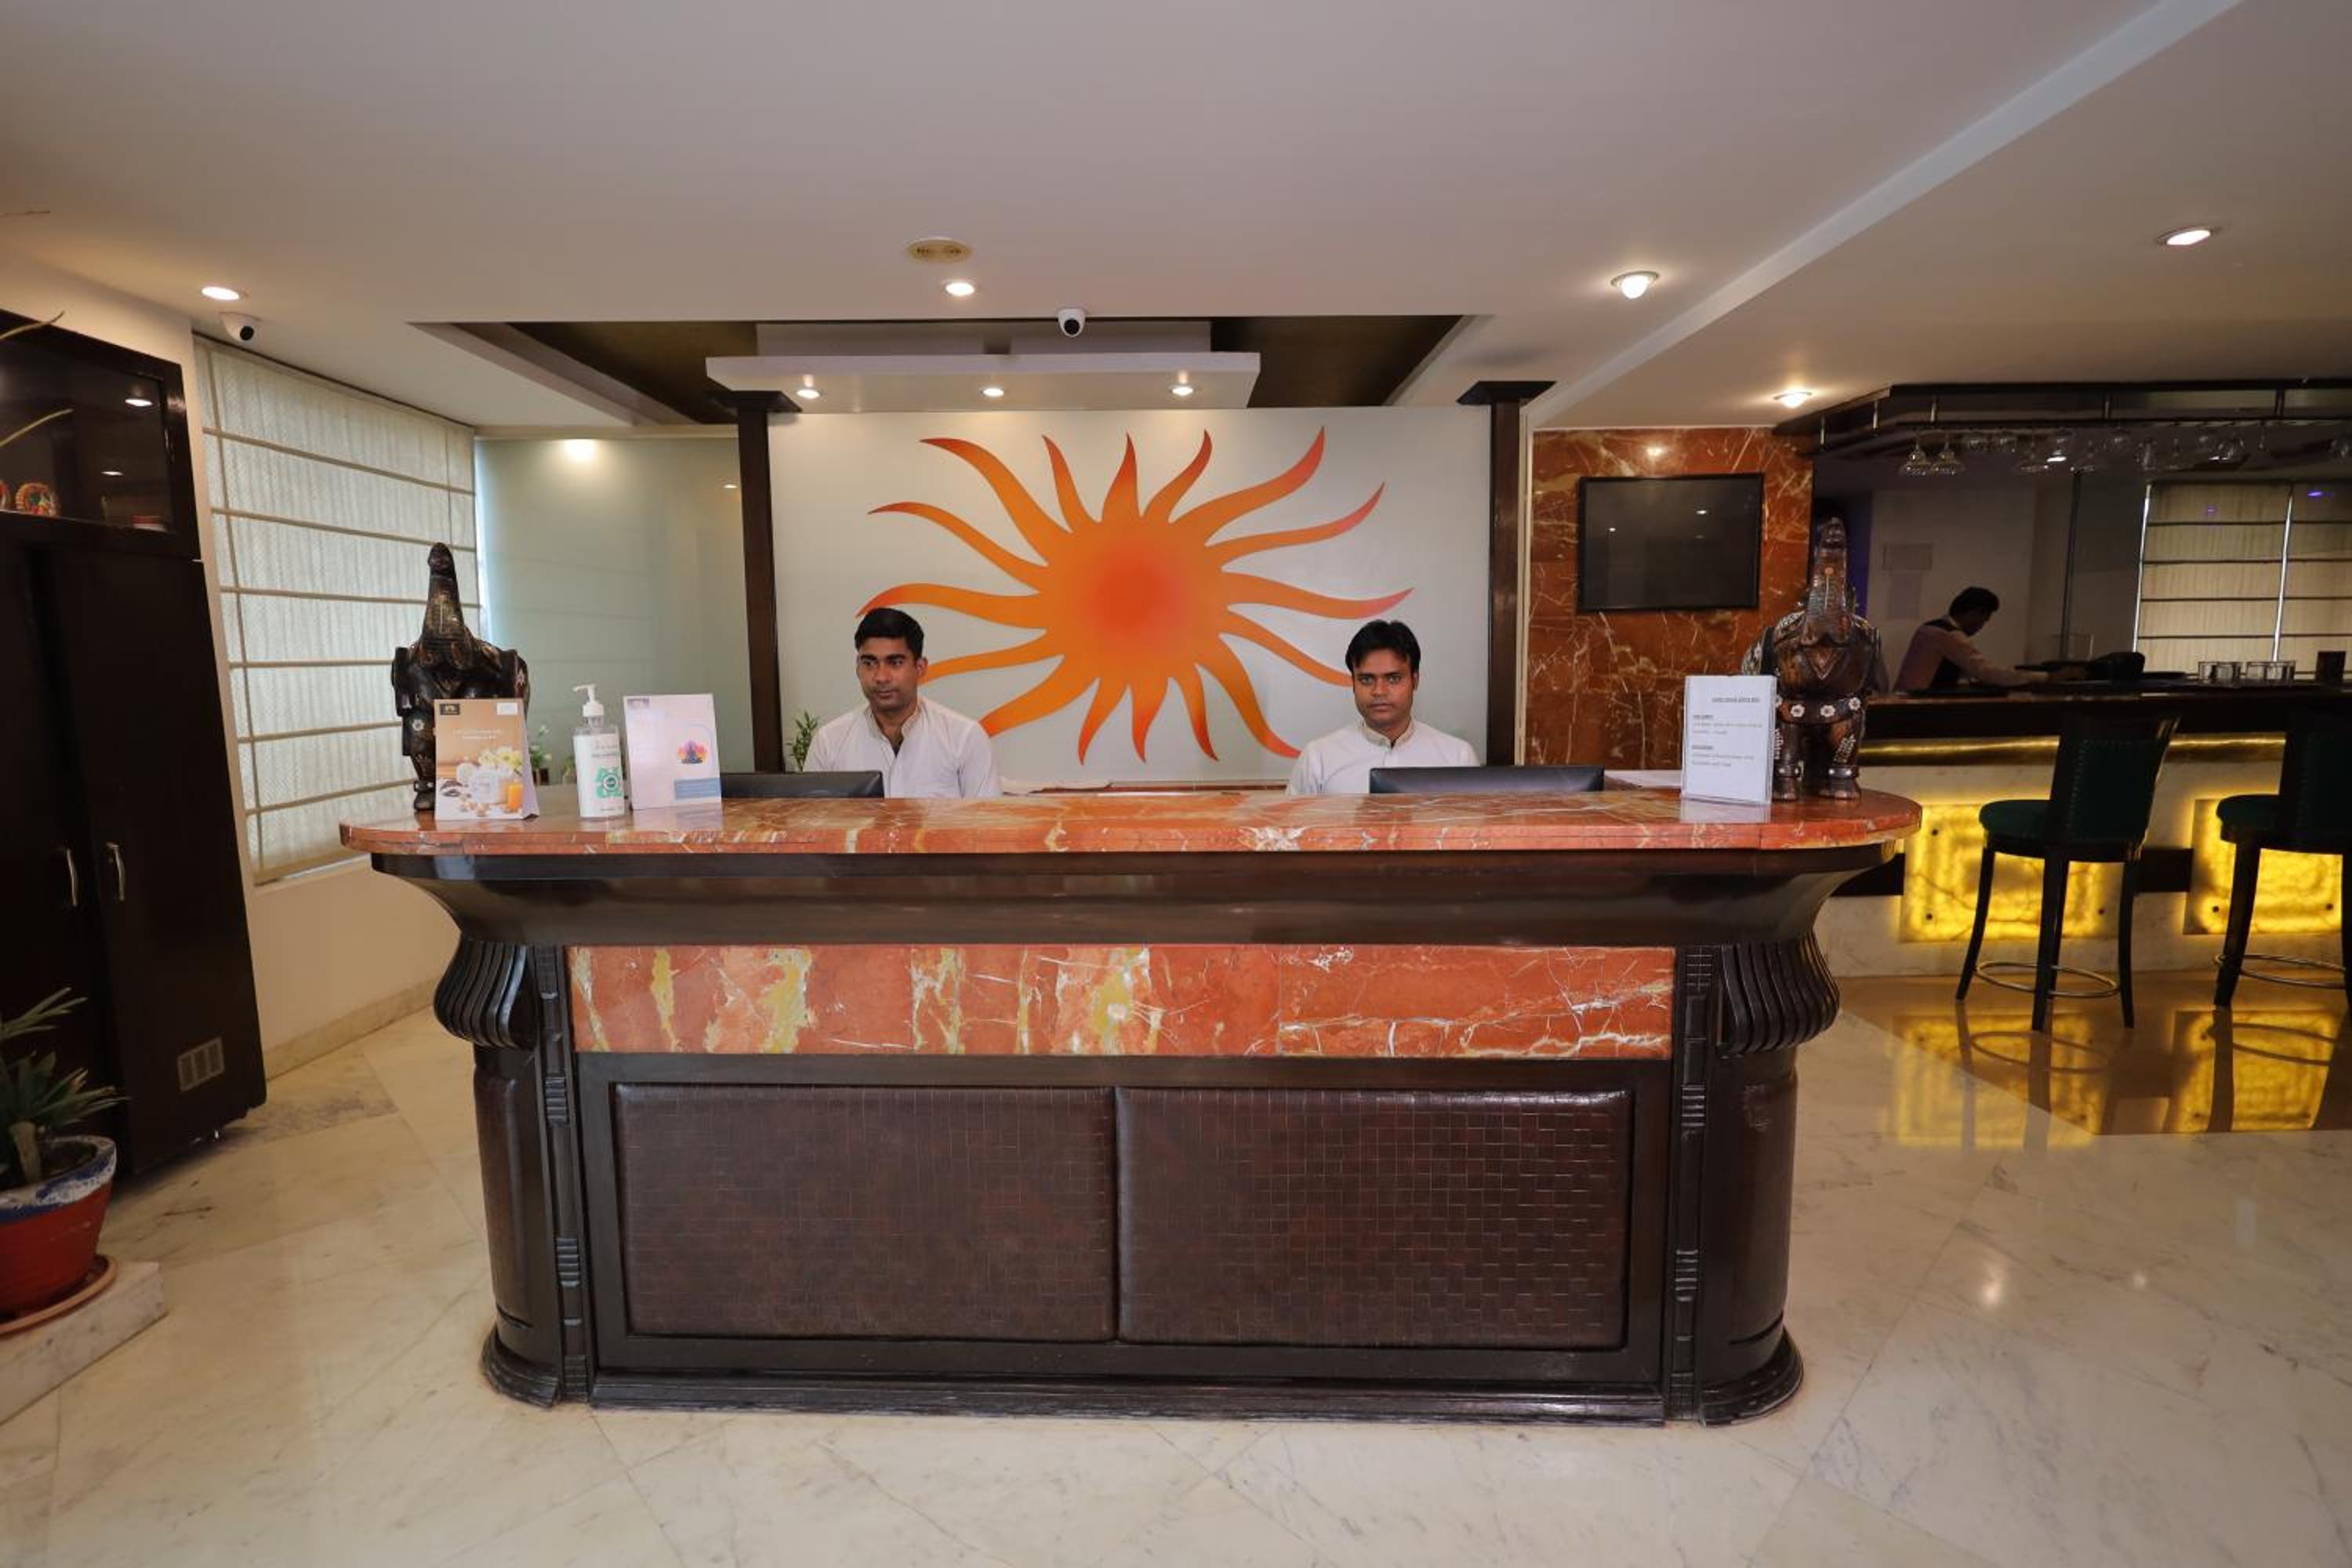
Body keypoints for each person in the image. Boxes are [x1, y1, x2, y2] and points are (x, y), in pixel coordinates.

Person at [804, 608, 1000, 797]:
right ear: (858, 668)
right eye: (869, 663)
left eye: (895, 662)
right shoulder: (829, 743)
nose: (881, 677)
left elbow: (985, 819)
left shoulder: (964, 738)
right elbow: (810, 819)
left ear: (920, 667)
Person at [1287, 620, 1478, 795]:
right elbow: (1292, 823)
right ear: (1353, 684)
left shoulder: (1457, 758)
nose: (1379, 691)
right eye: (1366, 680)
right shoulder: (1318, 759)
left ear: (1415, 680)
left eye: (1394, 679)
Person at [1893, 587, 2045, 692]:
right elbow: (1986, 671)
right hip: (1919, 706)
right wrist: (2044, 677)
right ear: (1974, 613)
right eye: (1983, 621)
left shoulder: (1929, 628)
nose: (1981, 627)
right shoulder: (1948, 634)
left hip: (1904, 699)